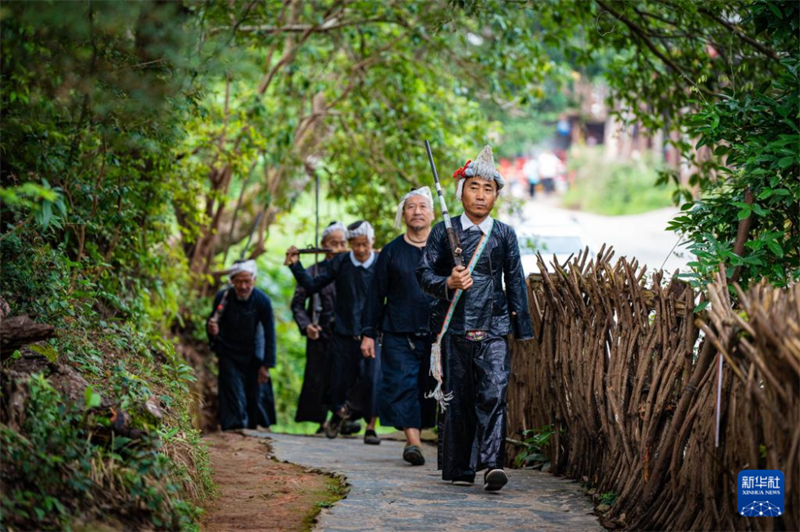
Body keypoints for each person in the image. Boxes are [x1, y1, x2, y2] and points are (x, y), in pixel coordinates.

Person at [417, 145, 534, 491]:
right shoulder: (443, 232)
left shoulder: (504, 235)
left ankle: (491, 465)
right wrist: (448, 282)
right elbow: (423, 275)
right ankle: (460, 467)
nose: (481, 195)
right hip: (454, 326)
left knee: (494, 394)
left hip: (494, 326)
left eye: (488, 189)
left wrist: (521, 329)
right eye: (474, 187)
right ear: (462, 191)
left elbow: (515, 281)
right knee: (459, 398)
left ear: (496, 195)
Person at [285, 221, 382, 445]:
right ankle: (340, 415)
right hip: (341, 333)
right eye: (355, 245)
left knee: (371, 379)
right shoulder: (339, 262)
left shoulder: (380, 262)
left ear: (372, 242)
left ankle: (362, 422)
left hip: (371, 333)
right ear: (350, 244)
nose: (360, 250)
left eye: (365, 244)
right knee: (338, 382)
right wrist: (296, 266)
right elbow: (311, 285)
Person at [361, 187, 437, 466]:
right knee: (402, 385)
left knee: (427, 388)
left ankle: (426, 434)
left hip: (436, 334)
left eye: (422, 206)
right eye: (410, 207)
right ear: (403, 214)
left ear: (432, 213)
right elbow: (375, 295)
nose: (417, 211)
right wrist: (368, 333)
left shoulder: (443, 249)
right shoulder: (391, 251)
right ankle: (413, 443)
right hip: (397, 332)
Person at [290, 222, 360, 435]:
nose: (338, 247)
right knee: (319, 377)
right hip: (320, 333)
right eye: (333, 243)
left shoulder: (352, 269)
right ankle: (321, 422)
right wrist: (306, 325)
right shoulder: (313, 271)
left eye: (342, 243)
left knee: (347, 377)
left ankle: (342, 419)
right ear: (323, 245)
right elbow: (298, 303)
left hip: (346, 333)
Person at [207, 260, 276, 432]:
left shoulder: (262, 301)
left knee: (255, 394)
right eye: (239, 281)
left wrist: (266, 365)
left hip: (253, 354)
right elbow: (212, 325)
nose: (243, 286)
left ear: (254, 280)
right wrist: (212, 330)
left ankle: (254, 427)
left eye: (247, 281)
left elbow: (269, 334)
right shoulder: (223, 298)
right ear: (232, 281)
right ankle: (234, 429)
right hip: (229, 353)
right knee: (232, 392)